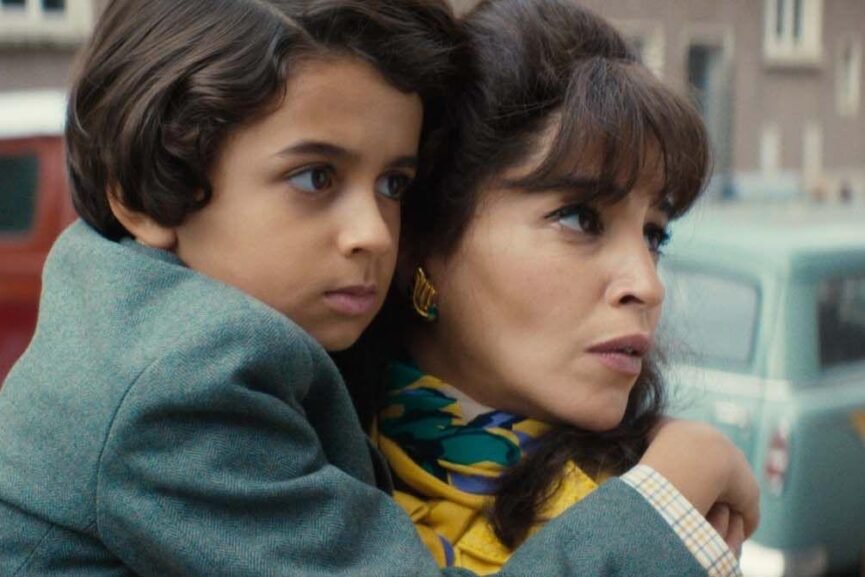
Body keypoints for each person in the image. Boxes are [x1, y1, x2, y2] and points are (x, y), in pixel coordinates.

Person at [0, 1, 753, 576]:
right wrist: (665, 494)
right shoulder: (187, 377)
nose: (373, 232)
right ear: (143, 193)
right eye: (314, 177)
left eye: (394, 184)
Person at [337, 0, 759, 575]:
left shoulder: (683, 526)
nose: (647, 285)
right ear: (422, 240)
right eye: (581, 218)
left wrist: (663, 502)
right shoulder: (291, 460)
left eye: (654, 235)